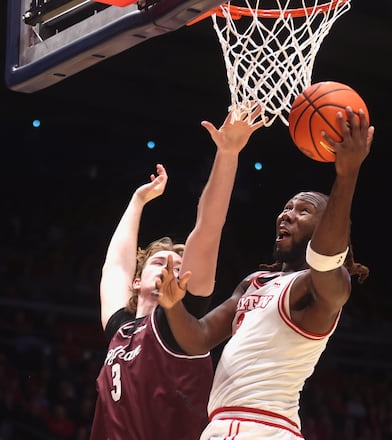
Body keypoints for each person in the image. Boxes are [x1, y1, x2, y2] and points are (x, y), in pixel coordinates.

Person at [156, 105, 373, 439]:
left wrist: (347, 175)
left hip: (266, 428)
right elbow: (198, 338)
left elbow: (326, 258)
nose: (287, 215)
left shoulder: (323, 288)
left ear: (328, 225)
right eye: (287, 208)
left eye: (304, 211)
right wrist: (172, 306)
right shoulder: (254, 283)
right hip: (220, 427)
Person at [89, 106, 266, 440]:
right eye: (160, 262)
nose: (170, 269)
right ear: (137, 282)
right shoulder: (121, 330)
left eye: (176, 265)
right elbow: (114, 268)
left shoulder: (180, 328)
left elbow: (208, 228)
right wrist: (137, 202)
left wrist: (227, 155)